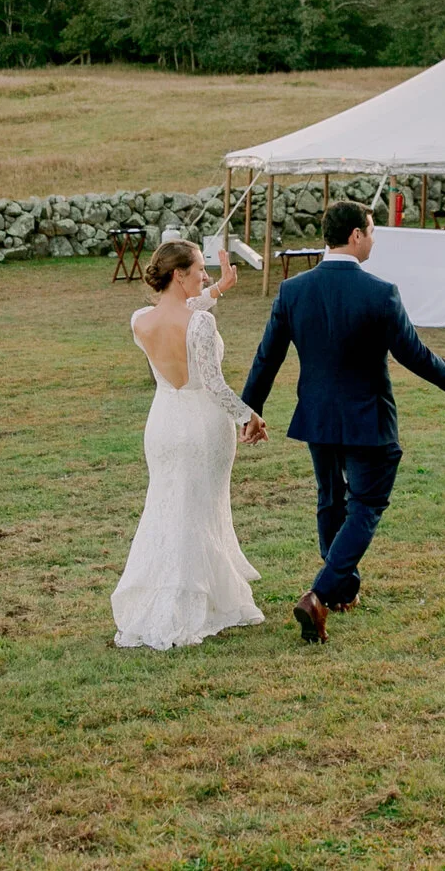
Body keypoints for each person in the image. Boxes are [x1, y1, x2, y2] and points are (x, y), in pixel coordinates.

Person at [241, 201, 445, 644]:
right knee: (367, 504)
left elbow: (267, 357)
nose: (373, 239)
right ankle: (320, 594)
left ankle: (342, 587)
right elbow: (412, 353)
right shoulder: (380, 292)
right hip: (368, 418)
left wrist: (250, 410)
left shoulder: (293, 291)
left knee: (331, 498)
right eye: (371, 231)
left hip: (317, 416)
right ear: (355, 235)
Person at [110, 240, 266, 650]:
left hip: (163, 422)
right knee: (199, 509)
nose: (205, 275)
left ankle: (167, 597)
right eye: (200, 269)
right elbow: (214, 384)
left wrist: (218, 290)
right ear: (179, 275)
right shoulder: (201, 324)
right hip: (202, 424)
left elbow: (181, 310)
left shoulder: (140, 320)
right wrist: (248, 416)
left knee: (169, 506)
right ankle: (188, 607)